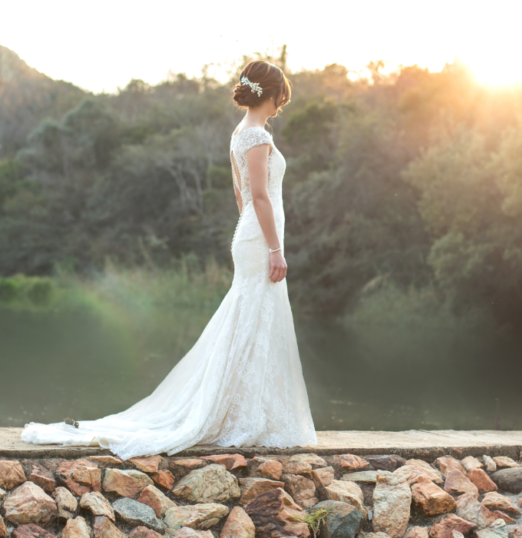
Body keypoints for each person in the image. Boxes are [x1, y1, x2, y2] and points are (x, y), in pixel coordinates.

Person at [20, 61, 318, 459]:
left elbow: (240, 195)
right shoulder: (258, 138)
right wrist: (275, 248)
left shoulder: (239, 134)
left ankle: (240, 411)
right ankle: (242, 414)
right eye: (283, 96)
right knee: (253, 317)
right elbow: (260, 196)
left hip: (249, 233)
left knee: (249, 317)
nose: (283, 104)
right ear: (272, 93)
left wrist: (258, 236)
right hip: (260, 238)